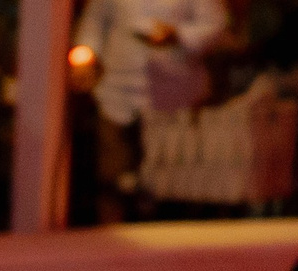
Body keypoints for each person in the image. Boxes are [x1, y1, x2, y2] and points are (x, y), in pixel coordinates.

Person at [70, 0, 227, 222]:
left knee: (168, 179)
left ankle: (163, 241)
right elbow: (94, 23)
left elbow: (215, 25)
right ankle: (111, 240)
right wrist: (86, 55)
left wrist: (178, 35)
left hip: (172, 99)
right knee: (113, 177)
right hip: (117, 90)